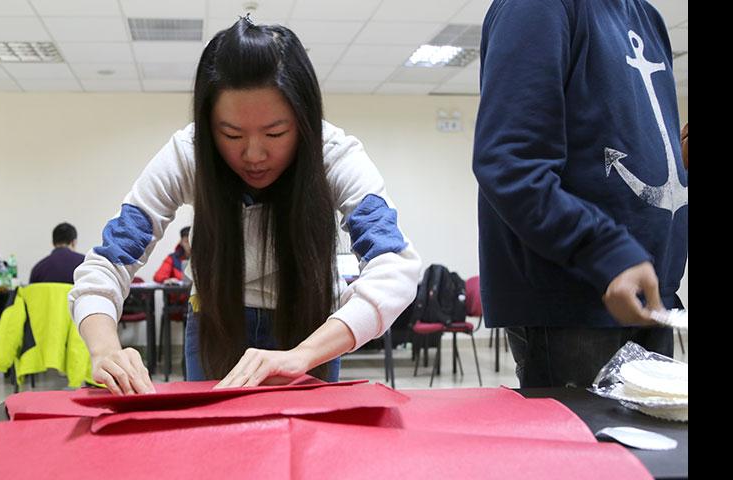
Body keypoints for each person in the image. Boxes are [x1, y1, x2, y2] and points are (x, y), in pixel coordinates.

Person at [69, 16, 422, 395]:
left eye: (275, 133)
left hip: (307, 330)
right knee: (215, 446)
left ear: (303, 121)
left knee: (309, 449)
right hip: (215, 325)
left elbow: (395, 268)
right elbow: (107, 263)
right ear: (208, 125)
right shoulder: (189, 153)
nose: (253, 154)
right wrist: (105, 349)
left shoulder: (332, 153)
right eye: (231, 134)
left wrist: (303, 355)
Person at [473, 0, 688, 388]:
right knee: (590, 448)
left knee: (650, 450)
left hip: (653, 294)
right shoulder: (538, 7)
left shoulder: (649, 18)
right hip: (571, 303)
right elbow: (510, 163)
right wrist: (605, 251)